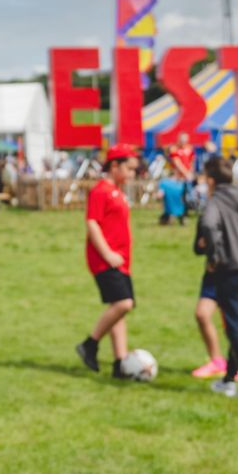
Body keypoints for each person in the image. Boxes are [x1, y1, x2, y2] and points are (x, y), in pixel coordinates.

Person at [194, 154, 238, 400]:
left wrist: (215, 256)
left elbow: (210, 226)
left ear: (211, 180)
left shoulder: (215, 203)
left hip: (229, 269)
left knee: (234, 326)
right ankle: (228, 380)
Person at [76, 144, 139, 375]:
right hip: (106, 260)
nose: (133, 174)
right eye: (130, 169)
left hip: (121, 261)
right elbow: (92, 222)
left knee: (119, 308)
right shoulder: (101, 191)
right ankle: (89, 344)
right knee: (124, 303)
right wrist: (107, 253)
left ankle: (119, 363)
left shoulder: (118, 191)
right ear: (115, 166)